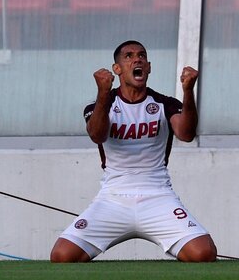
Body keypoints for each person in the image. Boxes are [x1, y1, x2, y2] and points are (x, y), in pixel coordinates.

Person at [50, 40, 217, 263]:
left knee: (203, 253)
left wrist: (188, 92)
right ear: (116, 69)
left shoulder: (164, 103)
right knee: (62, 256)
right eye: (128, 56)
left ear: (148, 67)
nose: (136, 59)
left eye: (141, 56)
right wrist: (102, 93)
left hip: (158, 196)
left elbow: (186, 134)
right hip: (112, 198)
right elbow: (97, 135)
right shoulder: (101, 105)